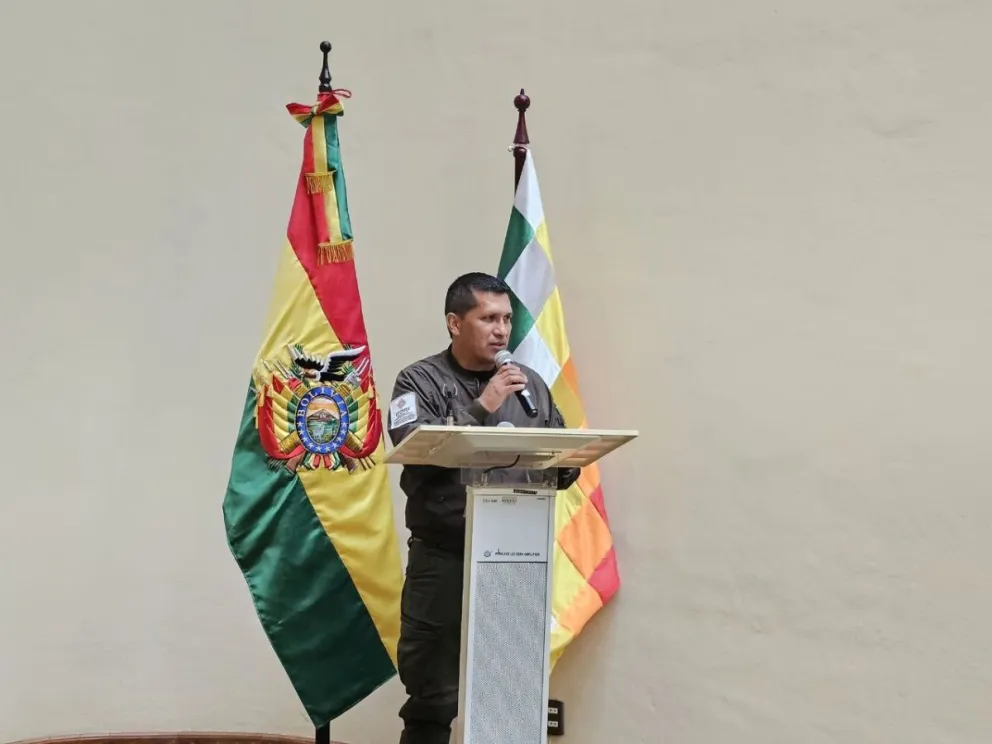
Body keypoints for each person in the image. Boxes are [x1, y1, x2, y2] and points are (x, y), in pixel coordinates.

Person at [386, 271, 580, 744]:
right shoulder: (419, 380)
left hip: (515, 557)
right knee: (432, 696)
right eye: (487, 318)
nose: (501, 330)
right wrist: (483, 404)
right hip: (445, 557)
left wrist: (566, 463)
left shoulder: (528, 383)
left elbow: (559, 450)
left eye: (507, 318)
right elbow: (411, 446)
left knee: (509, 690)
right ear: (455, 323)